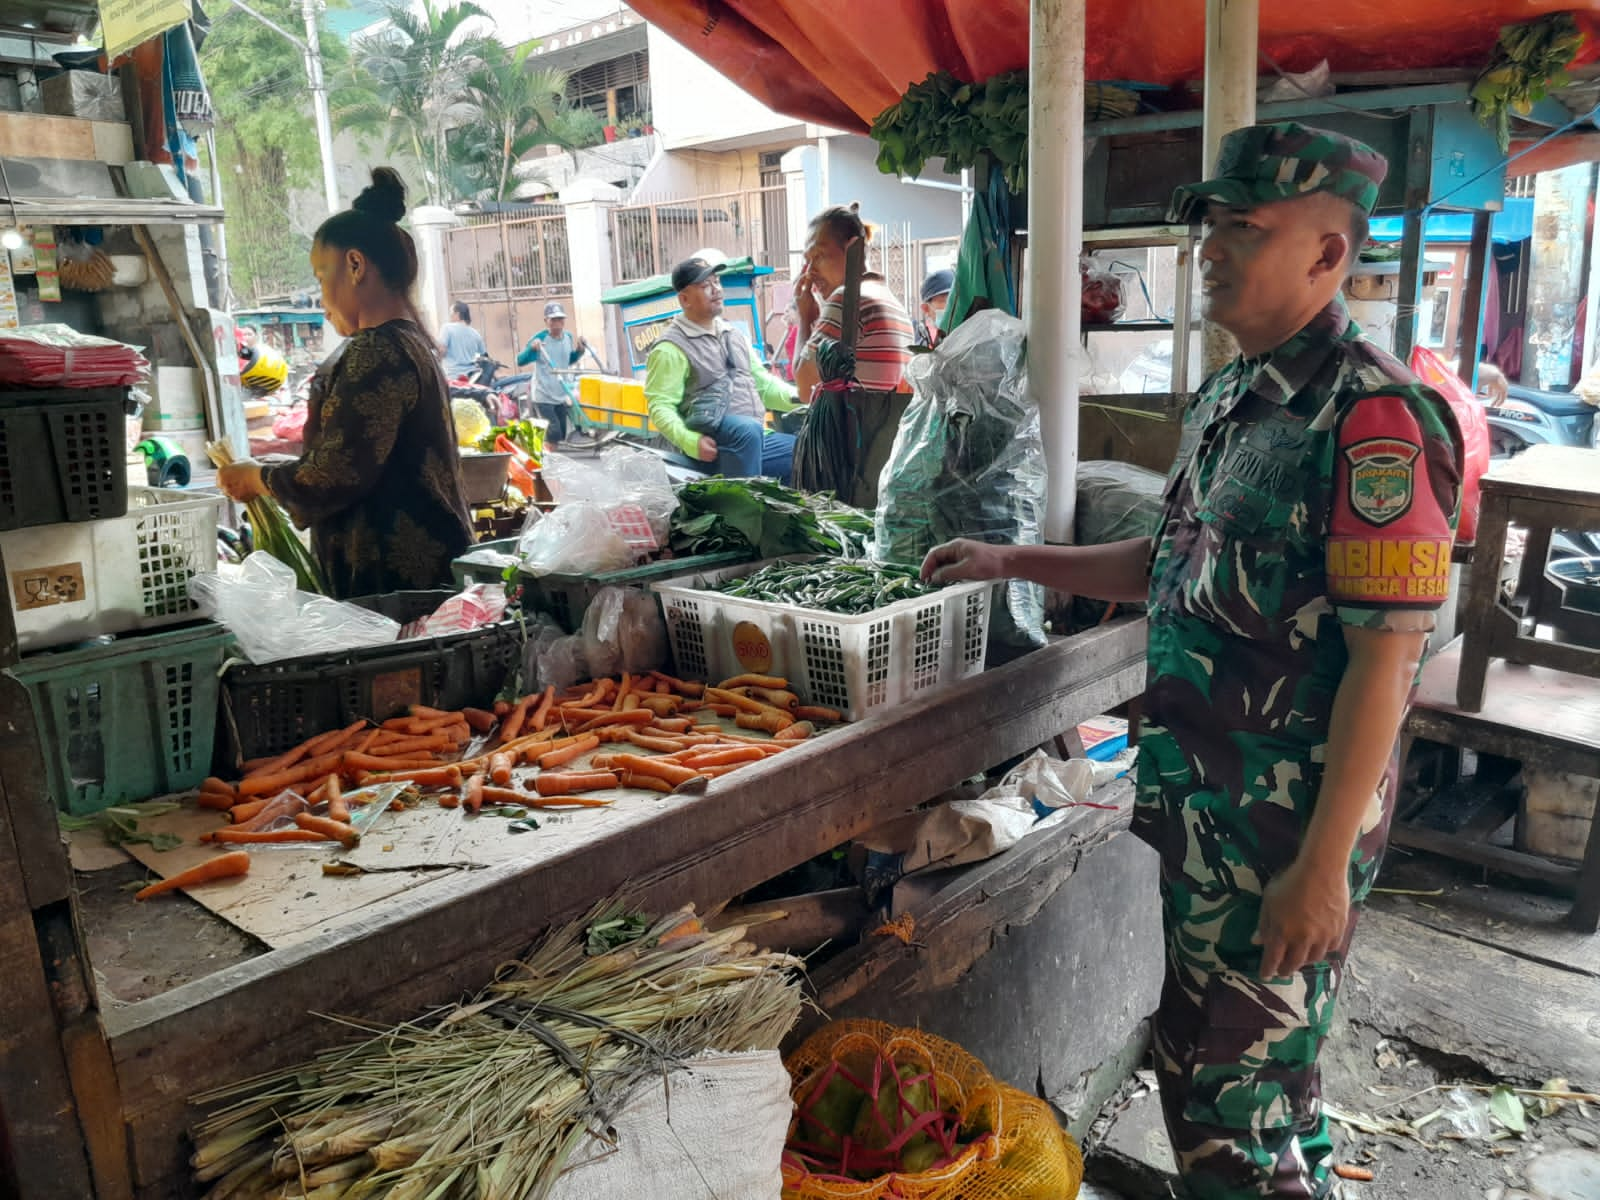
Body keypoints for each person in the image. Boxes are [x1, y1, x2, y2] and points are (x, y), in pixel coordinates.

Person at [923, 123, 1463, 1199]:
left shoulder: (1374, 420)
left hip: (1283, 831)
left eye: (1245, 229)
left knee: (1221, 1102)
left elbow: (1384, 662)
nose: (1210, 248)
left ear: (1326, 255)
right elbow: (1171, 562)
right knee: (1268, 1079)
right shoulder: (1232, 397)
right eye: (1208, 224)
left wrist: (1318, 873)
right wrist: (1007, 555)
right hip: (1205, 809)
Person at [217, 168, 472, 600]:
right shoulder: (408, 345)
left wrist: (257, 478)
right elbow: (359, 454)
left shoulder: (376, 352)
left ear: (355, 266)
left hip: (394, 592)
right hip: (427, 578)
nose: (321, 296)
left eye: (321, 275)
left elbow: (334, 474)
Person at [644, 255, 800, 481]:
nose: (716, 289)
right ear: (685, 299)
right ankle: (742, 509)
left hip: (753, 437)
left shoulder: (734, 335)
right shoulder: (670, 347)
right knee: (746, 430)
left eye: (716, 282)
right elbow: (660, 406)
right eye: (705, 286)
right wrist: (691, 441)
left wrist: (804, 397)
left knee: (803, 451)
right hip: (711, 444)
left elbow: (763, 386)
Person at [792, 205, 913, 403]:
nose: (810, 271)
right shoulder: (891, 302)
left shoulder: (848, 300)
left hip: (853, 433)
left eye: (819, 256)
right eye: (808, 260)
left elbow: (805, 389)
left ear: (852, 247)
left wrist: (804, 319)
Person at [516, 301, 590, 444]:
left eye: (560, 319)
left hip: (561, 395)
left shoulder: (567, 337)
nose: (557, 323)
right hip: (544, 395)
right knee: (554, 433)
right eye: (553, 320)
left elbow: (567, 361)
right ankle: (546, 456)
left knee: (561, 434)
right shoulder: (541, 339)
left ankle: (554, 458)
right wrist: (532, 349)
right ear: (546, 321)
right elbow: (520, 360)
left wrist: (580, 351)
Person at [437, 300, 487, 379]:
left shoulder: (447, 328)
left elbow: (441, 351)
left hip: (452, 377)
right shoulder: (476, 334)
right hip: (471, 378)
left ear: (457, 314)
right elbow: (485, 357)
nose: (450, 317)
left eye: (451, 314)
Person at [914, 268, 954, 350]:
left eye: (956, 300)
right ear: (926, 309)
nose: (953, 306)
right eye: (946, 301)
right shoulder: (922, 351)